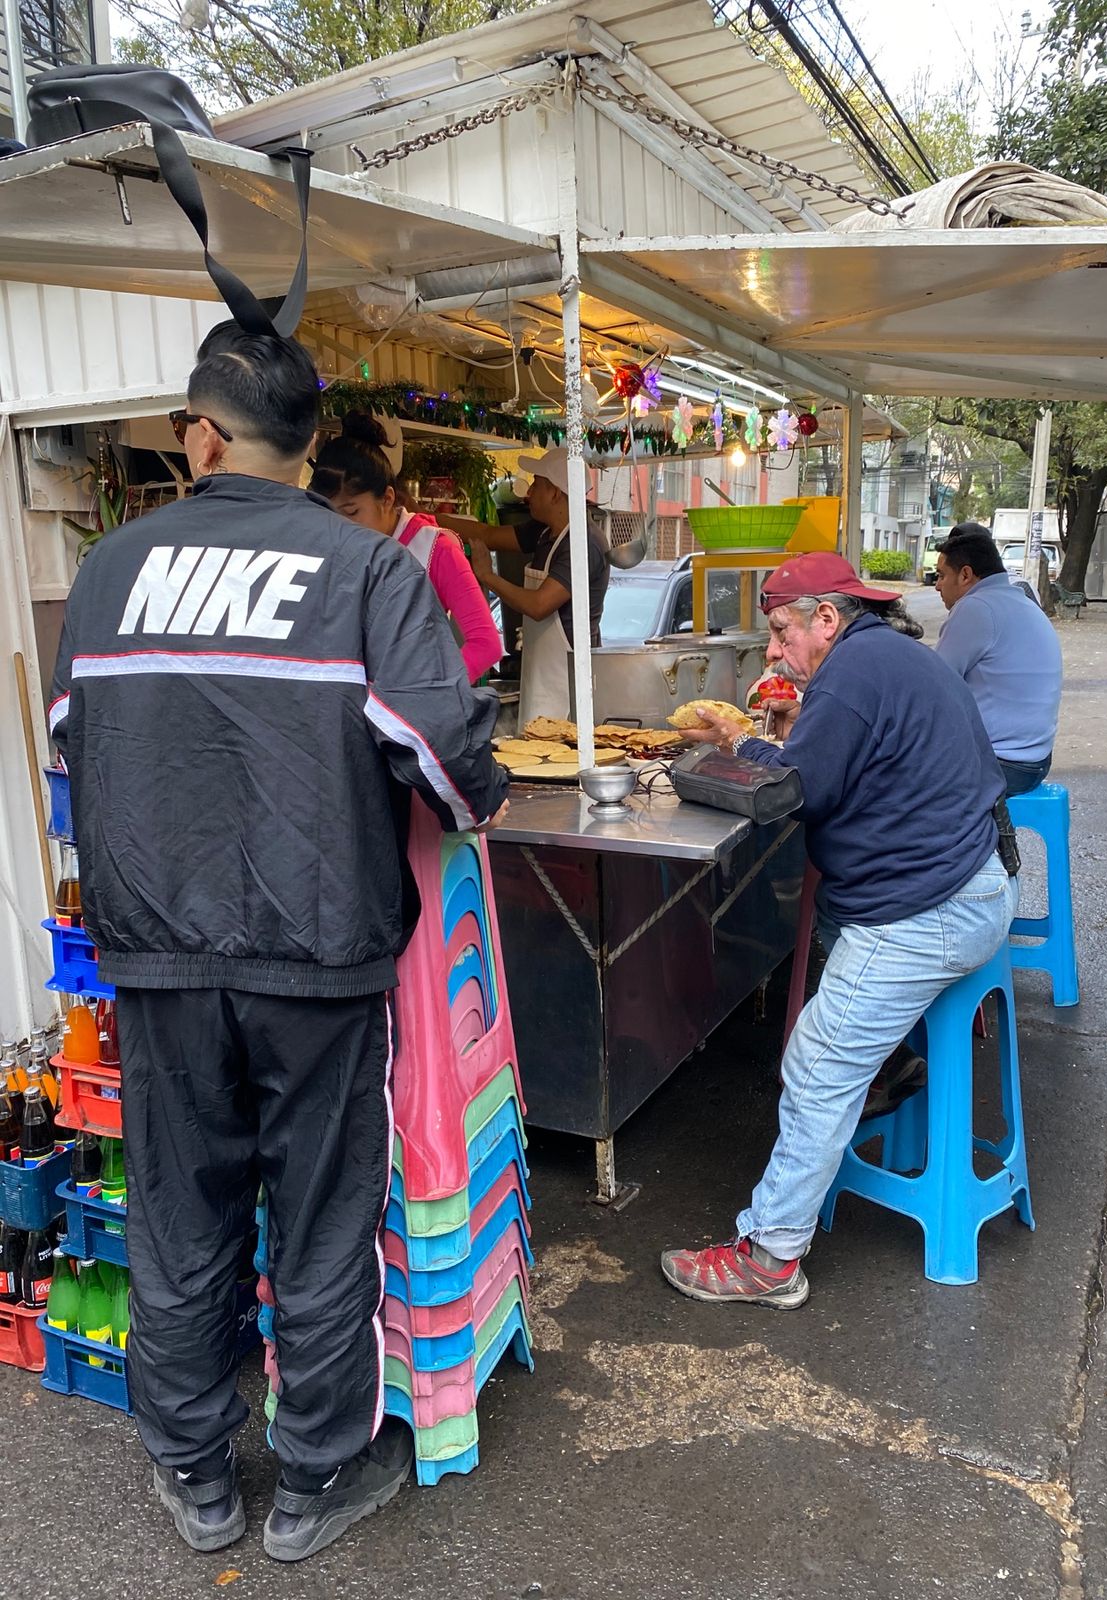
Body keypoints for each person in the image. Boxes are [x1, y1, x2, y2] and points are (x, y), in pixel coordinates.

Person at [49, 323, 509, 1562]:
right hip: (319, 959)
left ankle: (197, 1475)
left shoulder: (108, 575)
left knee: (179, 1214)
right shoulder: (367, 571)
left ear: (201, 434)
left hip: (156, 957)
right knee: (317, 1220)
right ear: (314, 445)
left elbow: (67, 744)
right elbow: (450, 767)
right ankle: (311, 1482)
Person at [659, 552, 1017, 1309]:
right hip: (969, 883)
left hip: (934, 908)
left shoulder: (854, 673)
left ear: (828, 619)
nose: (775, 650)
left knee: (816, 1063)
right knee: (829, 936)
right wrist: (790, 732)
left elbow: (797, 791)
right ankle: (890, 1065)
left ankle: (770, 1256)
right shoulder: (883, 655)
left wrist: (739, 747)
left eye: (783, 631)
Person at [309, 412, 501, 684]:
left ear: (387, 498)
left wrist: (433, 691)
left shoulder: (434, 548)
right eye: (328, 514)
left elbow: (486, 644)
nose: (341, 527)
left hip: (410, 713)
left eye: (352, 512)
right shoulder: (325, 546)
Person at [445, 446, 610, 725]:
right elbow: (488, 535)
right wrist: (422, 519)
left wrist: (488, 576)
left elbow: (539, 605)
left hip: (568, 685)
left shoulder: (583, 542)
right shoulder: (544, 531)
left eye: (537, 484)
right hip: (540, 674)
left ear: (556, 492)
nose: (528, 493)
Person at [933, 522, 1063, 796]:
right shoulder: (1021, 600)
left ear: (966, 574)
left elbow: (932, 686)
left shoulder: (976, 608)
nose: (937, 586)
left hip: (1002, 765)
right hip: (1036, 760)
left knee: (895, 777)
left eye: (942, 575)